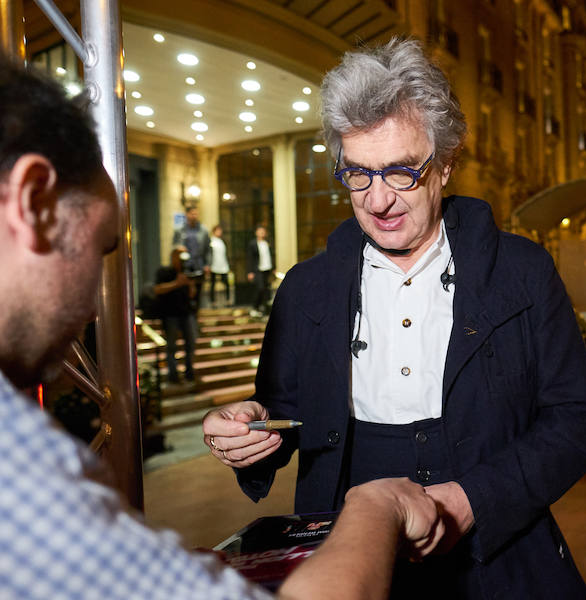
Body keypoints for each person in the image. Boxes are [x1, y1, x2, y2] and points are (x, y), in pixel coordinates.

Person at [0, 57, 444, 600]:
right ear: (32, 203)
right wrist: (378, 507)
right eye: (100, 248)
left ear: (442, 168)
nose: (95, 308)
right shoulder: (15, 465)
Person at [202, 37, 586, 599]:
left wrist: (472, 502)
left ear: (445, 166)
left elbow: (577, 418)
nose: (378, 200)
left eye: (401, 173)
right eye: (359, 174)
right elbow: (285, 412)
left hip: (498, 558)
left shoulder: (522, 271)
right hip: (356, 555)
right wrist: (250, 431)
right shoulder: (304, 289)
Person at [154, 245, 198, 384]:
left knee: (190, 343)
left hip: (186, 313)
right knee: (171, 346)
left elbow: (192, 295)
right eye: (180, 255)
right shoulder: (164, 272)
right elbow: (157, 289)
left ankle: (189, 372)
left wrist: (190, 284)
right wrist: (176, 283)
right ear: (173, 256)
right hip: (170, 314)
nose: (183, 258)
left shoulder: (188, 271)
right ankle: (173, 376)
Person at [173, 204, 210, 310]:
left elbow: (208, 249)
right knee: (184, 290)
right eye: (192, 213)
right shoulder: (180, 230)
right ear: (187, 214)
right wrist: (179, 248)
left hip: (198, 264)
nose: (195, 216)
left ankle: (196, 314)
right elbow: (173, 247)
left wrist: (207, 264)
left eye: (196, 214)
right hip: (185, 265)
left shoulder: (204, 230)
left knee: (198, 291)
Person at [246, 224, 273, 316]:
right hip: (257, 270)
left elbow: (270, 256)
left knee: (266, 290)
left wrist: (273, 268)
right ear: (256, 233)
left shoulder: (267, 243)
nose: (262, 233)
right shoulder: (253, 244)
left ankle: (263, 308)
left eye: (263, 231)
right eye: (260, 231)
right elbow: (250, 258)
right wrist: (250, 272)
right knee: (260, 288)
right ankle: (255, 307)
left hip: (267, 269)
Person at [209, 224, 231, 306]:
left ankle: (228, 300)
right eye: (217, 231)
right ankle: (213, 301)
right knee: (213, 284)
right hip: (214, 265)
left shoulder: (222, 241)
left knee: (226, 283)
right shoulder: (211, 241)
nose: (219, 232)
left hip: (223, 265)